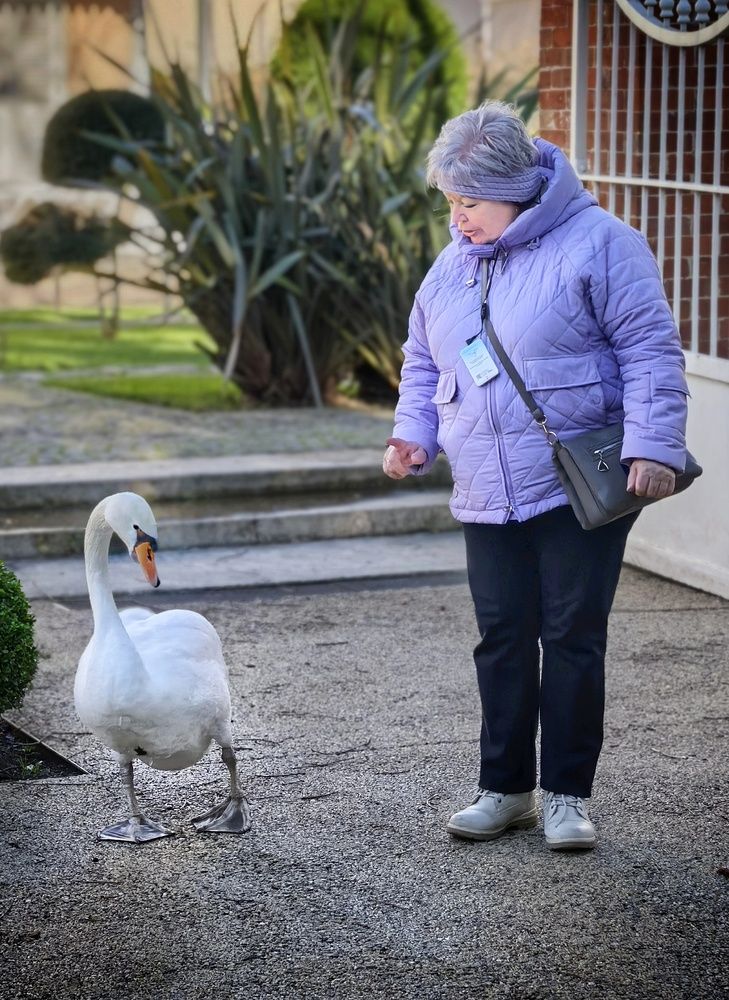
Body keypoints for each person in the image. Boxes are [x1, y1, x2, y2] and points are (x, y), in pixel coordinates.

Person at [383, 101, 688, 851]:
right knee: (501, 638)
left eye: (471, 202)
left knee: (573, 636)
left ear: (517, 189)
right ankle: (505, 788)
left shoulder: (602, 243)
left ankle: (565, 796)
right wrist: (410, 434)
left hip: (572, 482)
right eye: (450, 202)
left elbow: (649, 349)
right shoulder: (451, 265)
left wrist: (654, 447)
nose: (458, 218)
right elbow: (423, 359)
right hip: (486, 485)